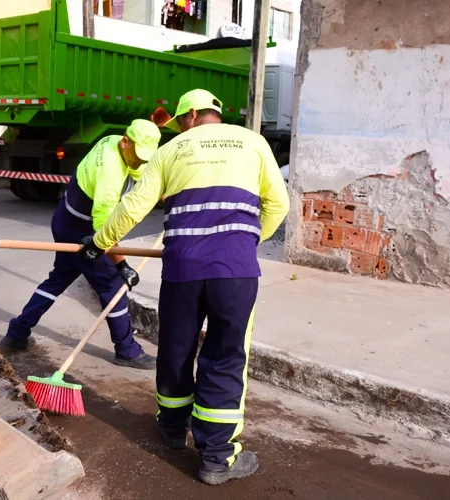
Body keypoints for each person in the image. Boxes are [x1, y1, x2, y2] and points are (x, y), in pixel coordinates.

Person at [76, 89, 290, 484]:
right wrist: (247, 242)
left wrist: (101, 242)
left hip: (182, 269)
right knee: (225, 357)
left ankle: (173, 430)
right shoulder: (254, 143)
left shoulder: (170, 151)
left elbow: (134, 205)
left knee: (175, 348)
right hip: (234, 272)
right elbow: (278, 205)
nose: (178, 128)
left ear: (191, 114)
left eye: (178, 122)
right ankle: (217, 458)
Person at [0, 119, 163, 370]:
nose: (139, 162)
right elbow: (103, 230)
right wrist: (122, 266)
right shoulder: (110, 174)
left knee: (59, 277)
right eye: (138, 157)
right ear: (126, 142)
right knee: (112, 284)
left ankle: (17, 332)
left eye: (145, 158)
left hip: (64, 219)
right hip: (85, 231)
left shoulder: (111, 142)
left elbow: (140, 174)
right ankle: (127, 350)